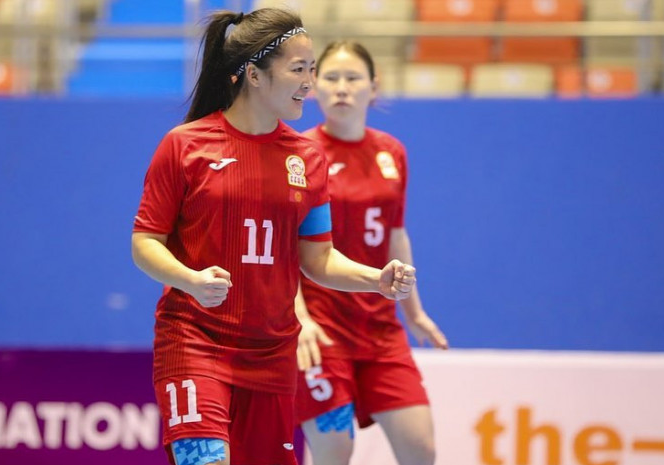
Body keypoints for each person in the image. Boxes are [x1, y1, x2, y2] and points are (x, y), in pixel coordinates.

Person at [131, 10, 416, 465]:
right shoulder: (184, 146)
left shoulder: (308, 158)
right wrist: (190, 279)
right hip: (195, 342)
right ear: (254, 75)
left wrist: (375, 278)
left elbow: (318, 259)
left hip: (272, 354)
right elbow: (145, 242)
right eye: (298, 69)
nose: (310, 82)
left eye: (311, 69)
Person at [293, 40, 449, 465]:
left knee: (422, 449)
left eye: (352, 77)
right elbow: (284, 246)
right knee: (334, 451)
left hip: (380, 329)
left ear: (373, 88)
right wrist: (300, 319)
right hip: (321, 329)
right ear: (313, 87)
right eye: (331, 77)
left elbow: (396, 236)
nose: (342, 87)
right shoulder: (298, 154)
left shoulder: (391, 152)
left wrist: (414, 312)